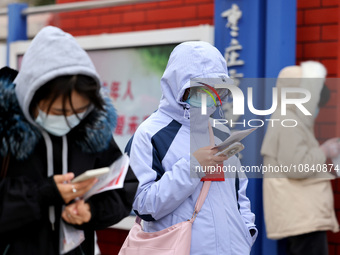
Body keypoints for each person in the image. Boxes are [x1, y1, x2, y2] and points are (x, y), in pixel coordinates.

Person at [0, 26, 138, 255]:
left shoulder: (91, 128)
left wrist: (91, 211)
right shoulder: (6, 128)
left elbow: (125, 185)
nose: (69, 119)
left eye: (79, 110)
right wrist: (44, 193)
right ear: (31, 94)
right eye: (57, 111)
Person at [125, 41, 257, 254]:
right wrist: (192, 167)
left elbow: (239, 192)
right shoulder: (149, 134)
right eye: (200, 89)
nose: (212, 97)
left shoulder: (219, 131)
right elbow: (142, 205)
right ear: (177, 85)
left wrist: (246, 232)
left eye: (217, 89)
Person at [261, 61, 340, 255]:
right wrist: (325, 151)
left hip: (302, 216)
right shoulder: (289, 121)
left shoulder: (288, 118)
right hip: (303, 218)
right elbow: (297, 167)